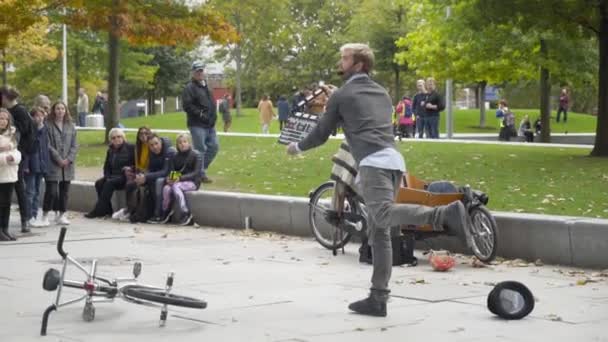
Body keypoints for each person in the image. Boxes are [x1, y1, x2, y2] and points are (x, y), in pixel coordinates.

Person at [286, 43, 470, 317]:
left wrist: (296, 147)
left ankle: (443, 214)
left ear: (358, 64)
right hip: (394, 161)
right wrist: (338, 100)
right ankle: (378, 297)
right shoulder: (381, 92)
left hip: (372, 164)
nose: (341, 61)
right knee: (380, 231)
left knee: (382, 215)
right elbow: (363, 113)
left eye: (345, 58)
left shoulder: (343, 95)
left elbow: (323, 133)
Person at [0, 86, 34, 233]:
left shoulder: (19, 111)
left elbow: (22, 134)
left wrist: (13, 148)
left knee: (19, 188)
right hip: (9, 157)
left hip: (15, 157)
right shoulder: (13, 111)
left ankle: (24, 220)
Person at [41, 102, 78, 226]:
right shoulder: (47, 125)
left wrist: (68, 159)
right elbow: (47, 144)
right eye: (58, 108)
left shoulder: (71, 126)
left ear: (66, 110)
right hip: (52, 163)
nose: (60, 111)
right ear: (53, 110)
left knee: (64, 191)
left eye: (62, 108)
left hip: (67, 164)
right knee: (51, 191)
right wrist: (58, 158)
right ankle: (45, 214)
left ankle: (61, 215)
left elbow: (75, 145)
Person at [85, 128, 134, 218]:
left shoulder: (130, 148)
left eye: (119, 137)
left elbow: (135, 164)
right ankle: (107, 210)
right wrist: (107, 176)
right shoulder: (110, 150)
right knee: (99, 183)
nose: (116, 139)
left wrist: (130, 169)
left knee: (109, 183)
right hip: (112, 176)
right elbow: (106, 167)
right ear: (110, 140)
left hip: (124, 177)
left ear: (123, 137)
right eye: (113, 138)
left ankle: (98, 210)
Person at [182, 61, 217, 184]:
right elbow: (187, 106)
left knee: (214, 147)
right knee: (200, 149)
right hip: (197, 124)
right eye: (198, 71)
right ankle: (200, 174)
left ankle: (197, 170)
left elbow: (211, 103)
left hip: (210, 124)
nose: (200, 73)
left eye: (202, 70)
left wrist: (213, 116)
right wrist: (201, 114)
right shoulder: (189, 88)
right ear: (193, 72)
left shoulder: (206, 86)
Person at [158, 133, 202, 226]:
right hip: (178, 181)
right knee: (166, 188)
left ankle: (186, 213)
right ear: (177, 145)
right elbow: (173, 171)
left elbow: (196, 173)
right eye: (180, 143)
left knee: (175, 186)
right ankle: (166, 212)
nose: (182, 144)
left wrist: (180, 178)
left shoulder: (196, 155)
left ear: (189, 143)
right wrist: (170, 179)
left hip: (193, 182)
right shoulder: (175, 156)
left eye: (185, 142)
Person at [115, 126, 151, 221]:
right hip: (139, 172)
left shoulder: (151, 146)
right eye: (141, 134)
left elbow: (151, 165)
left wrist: (144, 174)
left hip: (148, 174)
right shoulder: (138, 147)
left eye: (146, 133)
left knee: (132, 186)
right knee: (129, 182)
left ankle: (130, 211)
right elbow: (137, 165)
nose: (143, 136)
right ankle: (129, 210)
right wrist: (131, 168)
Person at [24, 107, 50, 227]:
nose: (40, 118)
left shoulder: (45, 129)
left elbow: (45, 148)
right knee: (30, 191)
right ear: (32, 117)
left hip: (41, 165)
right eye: (37, 116)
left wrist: (46, 165)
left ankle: (34, 215)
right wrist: (26, 165)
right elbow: (27, 149)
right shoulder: (30, 129)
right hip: (31, 165)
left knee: (37, 191)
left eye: (42, 116)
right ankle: (28, 216)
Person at [144, 134, 177, 224]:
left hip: (175, 175)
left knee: (158, 181)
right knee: (147, 181)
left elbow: (166, 171)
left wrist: (147, 176)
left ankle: (159, 214)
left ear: (160, 142)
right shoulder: (151, 152)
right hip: (165, 175)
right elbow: (151, 168)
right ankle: (146, 213)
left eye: (156, 143)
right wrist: (143, 175)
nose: (154, 147)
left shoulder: (169, 151)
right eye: (151, 145)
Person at [0, 108, 22, 241]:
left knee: (7, 204)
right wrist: (4, 159)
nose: (2, 121)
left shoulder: (12, 135)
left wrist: (13, 158)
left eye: (5, 119)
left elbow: (17, 152)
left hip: (10, 174)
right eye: (0, 118)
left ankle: (5, 229)